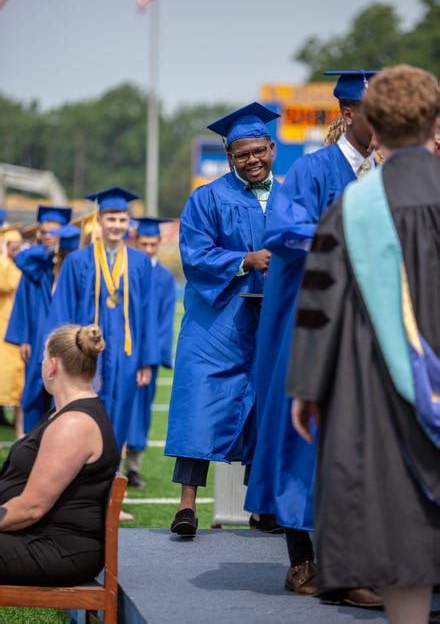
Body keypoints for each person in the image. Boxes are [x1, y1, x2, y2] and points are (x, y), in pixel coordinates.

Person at [290, 65, 440, 624]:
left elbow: (319, 300)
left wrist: (307, 386)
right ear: (433, 122)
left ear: (371, 121)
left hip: (377, 392)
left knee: (401, 536)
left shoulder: (354, 207)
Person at [245, 70, 383, 608]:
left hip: (370, 332)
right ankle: (303, 562)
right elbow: (283, 231)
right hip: (312, 329)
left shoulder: (388, 172)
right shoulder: (311, 169)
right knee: (302, 440)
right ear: (349, 115)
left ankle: (355, 560)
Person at [165, 102, 281, 536]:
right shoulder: (208, 197)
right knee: (198, 404)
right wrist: (245, 259)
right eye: (241, 155)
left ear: (272, 147)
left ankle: (262, 507)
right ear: (230, 156)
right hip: (217, 321)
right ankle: (187, 506)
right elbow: (195, 255)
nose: (251, 160)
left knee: (265, 406)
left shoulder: (290, 196)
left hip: (270, 322)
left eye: (258, 151)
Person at [0, 323, 119, 585]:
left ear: (52, 365)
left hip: (58, 548)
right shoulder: (65, 413)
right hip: (38, 537)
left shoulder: (73, 424)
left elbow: (31, 508)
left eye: (43, 358)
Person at [45, 187, 159, 452]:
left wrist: (146, 361)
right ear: (99, 219)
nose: (117, 226)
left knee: (118, 416)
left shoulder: (140, 263)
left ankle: (109, 482)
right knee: (79, 412)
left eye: (122, 220)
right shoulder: (77, 261)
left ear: (128, 223)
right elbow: (62, 309)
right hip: (82, 353)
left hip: (125, 354)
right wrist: (60, 354)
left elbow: (148, 313)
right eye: (111, 219)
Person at [5, 205, 72, 433]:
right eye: (45, 231)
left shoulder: (71, 265)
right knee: (33, 390)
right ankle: (27, 440)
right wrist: (23, 338)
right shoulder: (35, 266)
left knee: (61, 393)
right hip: (36, 336)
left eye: (55, 231)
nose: (50, 236)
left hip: (63, 340)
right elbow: (22, 301)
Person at [125, 216, 176, 488]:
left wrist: (150, 357)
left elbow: (164, 321)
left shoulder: (165, 278)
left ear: (158, 243)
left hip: (148, 356)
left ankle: (133, 467)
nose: (147, 249)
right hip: (121, 354)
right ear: (135, 241)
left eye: (152, 244)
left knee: (141, 411)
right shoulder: (126, 270)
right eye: (143, 243)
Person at [0, 225, 24, 436]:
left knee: (18, 383)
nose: (15, 252)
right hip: (2, 330)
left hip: (15, 331)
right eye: (11, 248)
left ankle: (19, 427)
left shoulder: (20, 267)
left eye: (18, 248)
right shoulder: (5, 267)